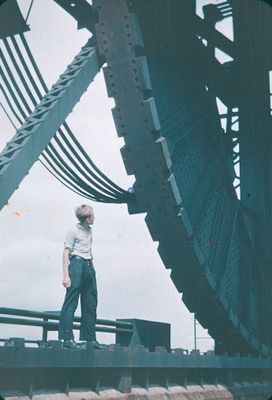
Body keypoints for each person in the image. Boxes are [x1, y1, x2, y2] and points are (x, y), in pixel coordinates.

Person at [58, 204, 104, 349]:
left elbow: (88, 250)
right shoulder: (73, 231)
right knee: (72, 301)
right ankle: (67, 339)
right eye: (92, 216)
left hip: (89, 265)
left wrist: (92, 269)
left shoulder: (90, 231)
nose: (94, 218)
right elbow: (66, 252)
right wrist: (66, 276)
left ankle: (90, 339)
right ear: (87, 218)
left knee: (90, 302)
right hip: (76, 264)